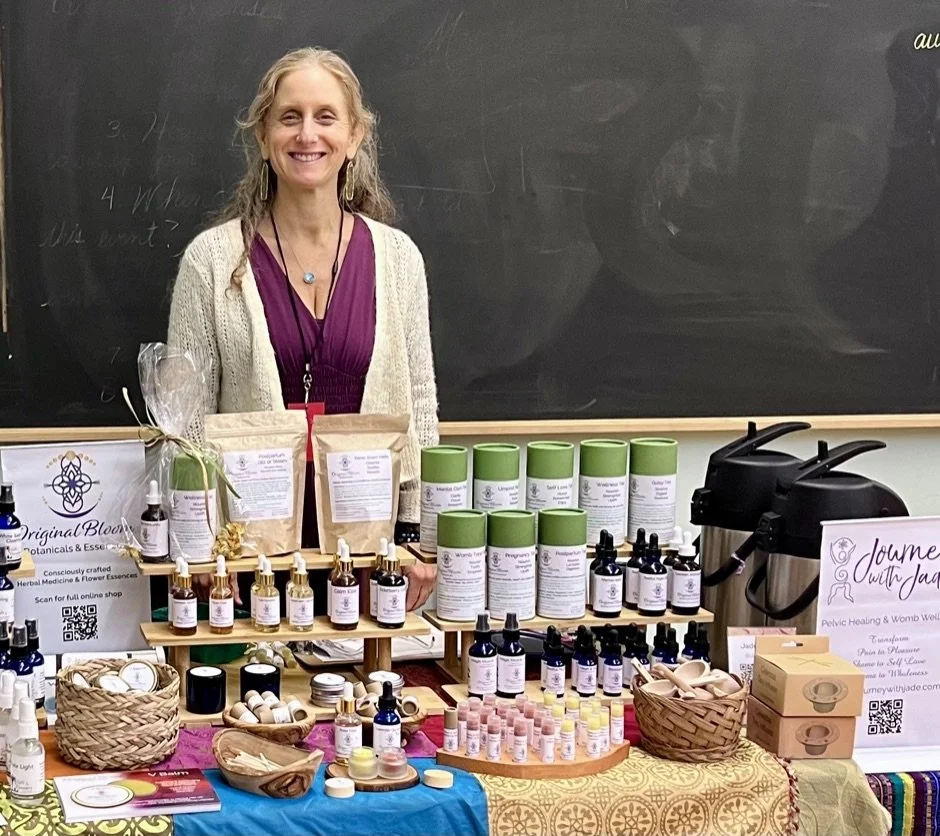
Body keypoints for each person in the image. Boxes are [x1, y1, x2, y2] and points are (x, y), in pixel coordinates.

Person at [167, 47, 438, 610]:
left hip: (370, 559)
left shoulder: (397, 260)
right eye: (289, 117)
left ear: (355, 136)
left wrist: (418, 541)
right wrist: (197, 545)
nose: (306, 134)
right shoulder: (211, 262)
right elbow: (185, 424)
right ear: (263, 137)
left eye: (325, 116)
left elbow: (420, 407)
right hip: (245, 564)